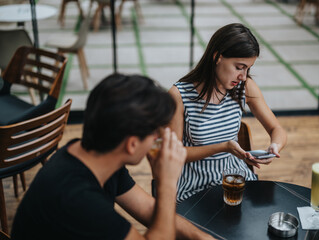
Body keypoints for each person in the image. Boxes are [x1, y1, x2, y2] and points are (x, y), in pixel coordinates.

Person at [11, 74, 215, 240]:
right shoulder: (80, 201)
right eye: (155, 133)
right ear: (132, 144)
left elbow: (149, 209)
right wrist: (167, 182)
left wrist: (201, 237)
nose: (157, 139)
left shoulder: (90, 153)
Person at [168, 23, 287, 202]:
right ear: (217, 57)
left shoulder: (244, 88)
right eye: (239, 67)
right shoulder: (179, 96)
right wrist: (223, 147)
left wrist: (275, 147)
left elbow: (277, 129)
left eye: (248, 69)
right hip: (194, 185)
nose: (244, 76)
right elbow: (175, 154)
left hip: (236, 181)